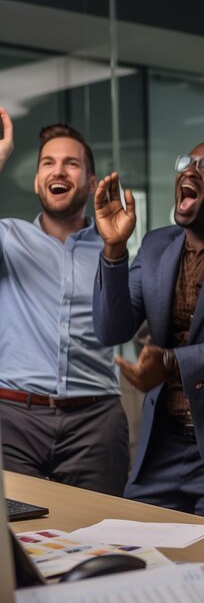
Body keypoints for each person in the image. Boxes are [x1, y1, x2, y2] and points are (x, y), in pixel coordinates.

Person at [92, 139, 204, 517]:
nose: (189, 171)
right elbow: (112, 330)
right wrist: (114, 251)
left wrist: (173, 362)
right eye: (186, 162)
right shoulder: (157, 245)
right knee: (132, 550)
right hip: (161, 444)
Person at [0, 107, 128, 495]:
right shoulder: (7, 239)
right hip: (13, 420)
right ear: (37, 179)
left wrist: (116, 249)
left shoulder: (114, 248)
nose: (58, 171)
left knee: (99, 536)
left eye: (71, 164)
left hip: (95, 423)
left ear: (90, 183)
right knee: (13, 543)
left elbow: (121, 327)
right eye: (48, 163)